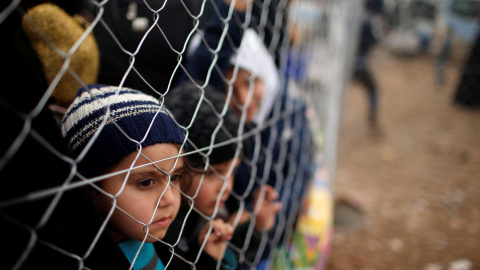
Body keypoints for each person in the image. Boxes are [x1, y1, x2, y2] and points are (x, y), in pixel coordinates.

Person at [61, 84, 234, 269]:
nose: (169, 198)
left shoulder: (162, 240)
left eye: (175, 177)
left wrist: (207, 260)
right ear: (91, 186)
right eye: (146, 182)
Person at [164, 81, 282, 268]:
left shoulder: (204, 216)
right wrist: (208, 261)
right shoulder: (162, 230)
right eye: (211, 173)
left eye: (232, 171)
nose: (226, 186)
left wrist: (251, 229)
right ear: (178, 166)